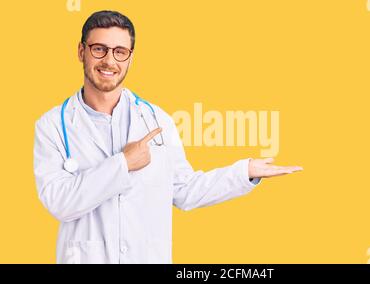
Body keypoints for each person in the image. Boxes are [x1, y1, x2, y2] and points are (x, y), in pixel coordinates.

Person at [33, 10, 303, 264]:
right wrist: (123, 163)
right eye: (99, 49)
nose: (109, 61)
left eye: (120, 51)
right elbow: (59, 202)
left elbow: (184, 190)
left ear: (130, 57)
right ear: (82, 51)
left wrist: (244, 172)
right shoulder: (53, 125)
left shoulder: (156, 119)